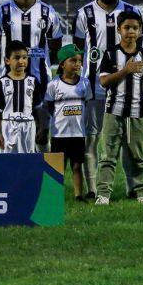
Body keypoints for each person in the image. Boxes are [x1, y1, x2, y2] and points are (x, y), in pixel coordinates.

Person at [73, 0, 142, 201]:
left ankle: (133, 187)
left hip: (127, 90)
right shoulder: (84, 14)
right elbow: (79, 50)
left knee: (128, 140)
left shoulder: (132, 12)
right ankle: (93, 188)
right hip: (95, 87)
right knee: (92, 138)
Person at [0, 0, 62, 153]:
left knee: (41, 132)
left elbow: (56, 49)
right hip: (10, 82)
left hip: (42, 82)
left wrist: (40, 61)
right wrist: (6, 66)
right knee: (9, 132)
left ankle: (43, 179)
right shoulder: (0, 13)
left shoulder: (49, 13)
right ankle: (11, 181)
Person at [95, 12, 143, 205]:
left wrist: (136, 95)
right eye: (127, 27)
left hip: (138, 113)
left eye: (135, 28)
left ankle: (141, 192)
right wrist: (125, 71)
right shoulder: (109, 54)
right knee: (108, 154)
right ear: (119, 30)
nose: (131, 32)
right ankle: (103, 194)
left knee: (138, 155)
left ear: (140, 31)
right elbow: (104, 81)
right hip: (113, 111)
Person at [45, 45, 92, 202]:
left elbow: (87, 105)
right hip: (60, 134)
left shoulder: (85, 83)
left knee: (77, 166)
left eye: (79, 61)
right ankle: (52, 195)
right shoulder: (54, 85)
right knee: (58, 167)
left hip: (78, 133)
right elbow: (48, 106)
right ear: (62, 64)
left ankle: (79, 195)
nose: (78, 64)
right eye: (73, 60)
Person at [0, 41, 45, 154]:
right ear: (7, 60)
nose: (21, 61)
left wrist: (41, 126)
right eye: (16, 58)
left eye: (24, 58)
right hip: (8, 125)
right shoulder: (2, 82)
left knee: (28, 159)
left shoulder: (33, 81)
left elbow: (38, 106)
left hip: (28, 125)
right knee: (7, 159)